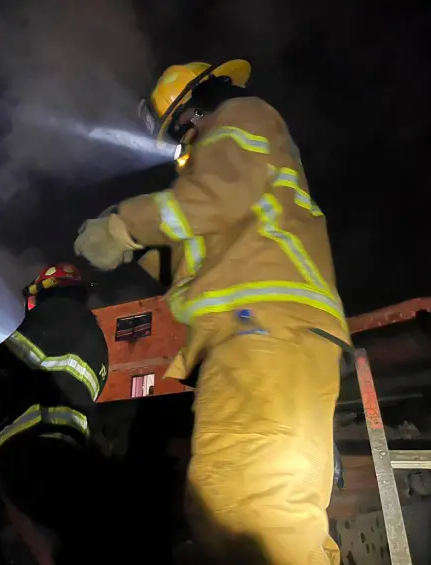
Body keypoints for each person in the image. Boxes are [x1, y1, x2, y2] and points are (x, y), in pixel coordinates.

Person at [74, 59, 350, 565]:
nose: (179, 146)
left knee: (239, 513)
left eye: (176, 130)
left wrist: (125, 225)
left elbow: (210, 200)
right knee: (283, 519)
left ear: (191, 112)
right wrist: (141, 249)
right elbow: (203, 249)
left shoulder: (240, 116)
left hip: (259, 333)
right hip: (279, 335)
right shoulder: (239, 159)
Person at [0, 263, 116, 564]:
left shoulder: (46, 319)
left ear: (45, 294)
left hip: (25, 446)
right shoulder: (97, 337)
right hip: (74, 448)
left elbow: (3, 365)